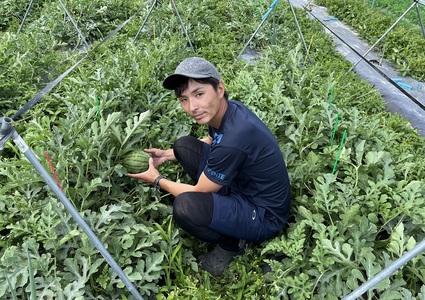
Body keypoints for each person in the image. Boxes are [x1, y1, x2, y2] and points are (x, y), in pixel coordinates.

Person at [128, 57, 291, 276]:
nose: (192, 107)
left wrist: (157, 179)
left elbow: (197, 192)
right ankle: (228, 216)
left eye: (199, 94)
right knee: (182, 146)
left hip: (264, 215)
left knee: (187, 206)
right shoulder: (229, 111)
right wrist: (166, 155)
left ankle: (233, 242)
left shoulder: (235, 137)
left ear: (220, 89)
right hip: (242, 186)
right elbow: (214, 139)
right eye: (184, 99)